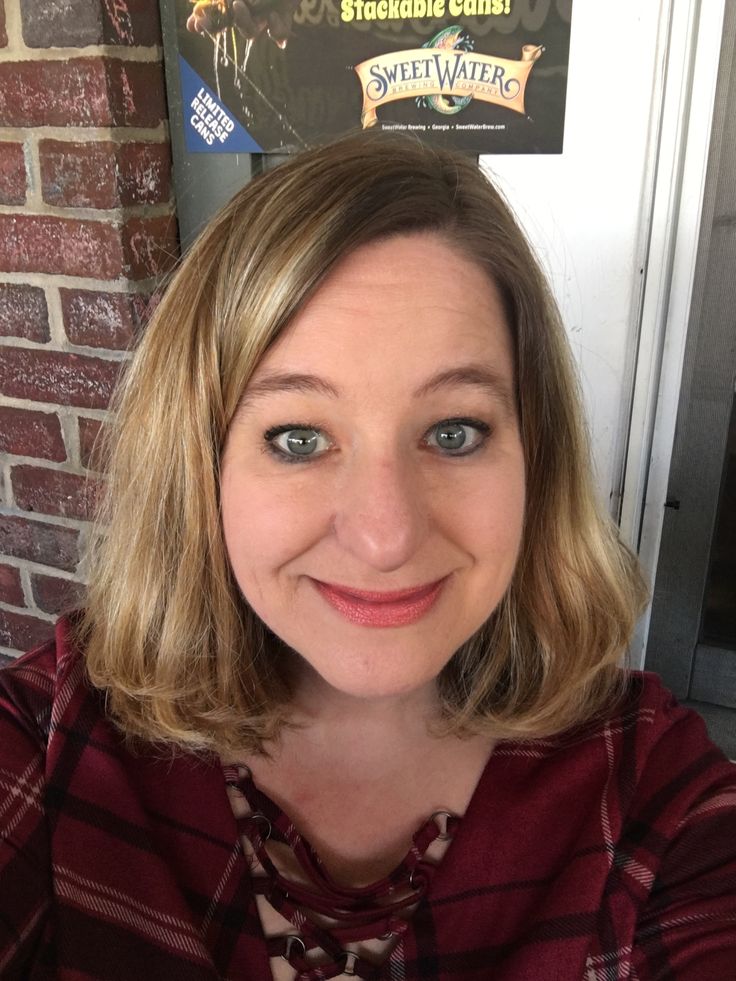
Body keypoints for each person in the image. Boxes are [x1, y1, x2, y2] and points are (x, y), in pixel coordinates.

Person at [1, 132, 734, 981]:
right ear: (200, 468)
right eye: (299, 437)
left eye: (454, 432)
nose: (385, 535)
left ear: (537, 457)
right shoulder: (50, 747)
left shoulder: (653, 798)